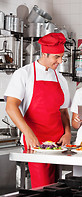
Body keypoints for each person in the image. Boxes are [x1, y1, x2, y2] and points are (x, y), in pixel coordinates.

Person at [5, 33, 71, 188]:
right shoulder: (24, 74)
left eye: (62, 56)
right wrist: (27, 133)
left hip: (59, 146)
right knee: (43, 192)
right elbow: (10, 106)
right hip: (36, 145)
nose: (60, 61)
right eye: (56, 57)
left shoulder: (60, 79)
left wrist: (67, 132)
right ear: (44, 54)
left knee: (58, 191)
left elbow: (63, 112)